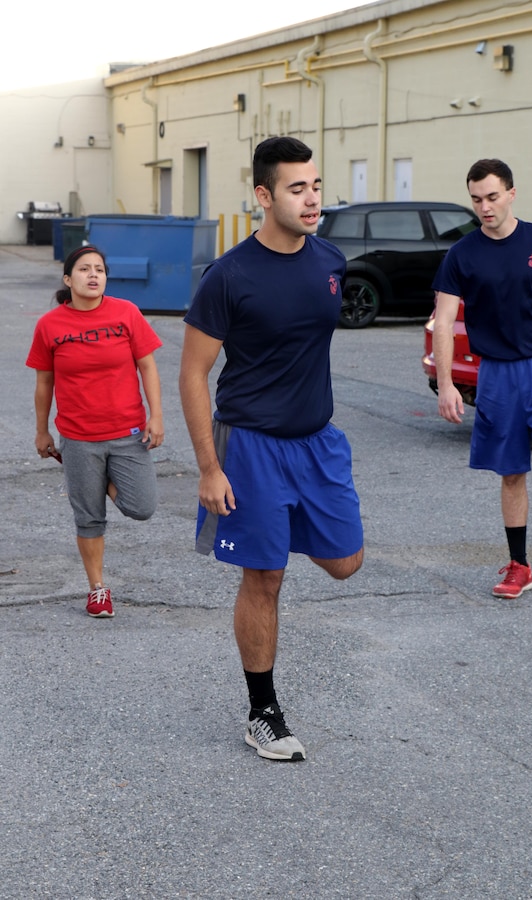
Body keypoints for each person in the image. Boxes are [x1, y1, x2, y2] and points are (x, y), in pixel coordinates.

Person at [179, 136, 364, 762]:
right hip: (250, 447)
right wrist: (210, 468)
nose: (312, 199)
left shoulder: (330, 261)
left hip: (318, 444)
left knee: (347, 563)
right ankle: (264, 712)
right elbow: (193, 375)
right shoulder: (228, 277)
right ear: (264, 195)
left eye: (315, 186)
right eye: (296, 188)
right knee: (265, 578)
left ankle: (281, 529)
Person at [432, 158, 532, 599]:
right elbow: (442, 322)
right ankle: (520, 565)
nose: (485, 207)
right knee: (512, 473)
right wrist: (446, 385)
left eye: (492, 197)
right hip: (497, 374)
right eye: (477, 199)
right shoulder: (462, 254)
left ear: (511, 193)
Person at [26, 245, 164, 618]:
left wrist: (157, 415)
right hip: (78, 436)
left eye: (99, 270)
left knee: (142, 507)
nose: (93, 275)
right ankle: (98, 589)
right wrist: (42, 432)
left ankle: (97, 477)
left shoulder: (126, 314)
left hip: (128, 430)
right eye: (84, 270)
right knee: (89, 517)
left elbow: (147, 367)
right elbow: (44, 385)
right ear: (68, 280)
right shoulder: (50, 326)